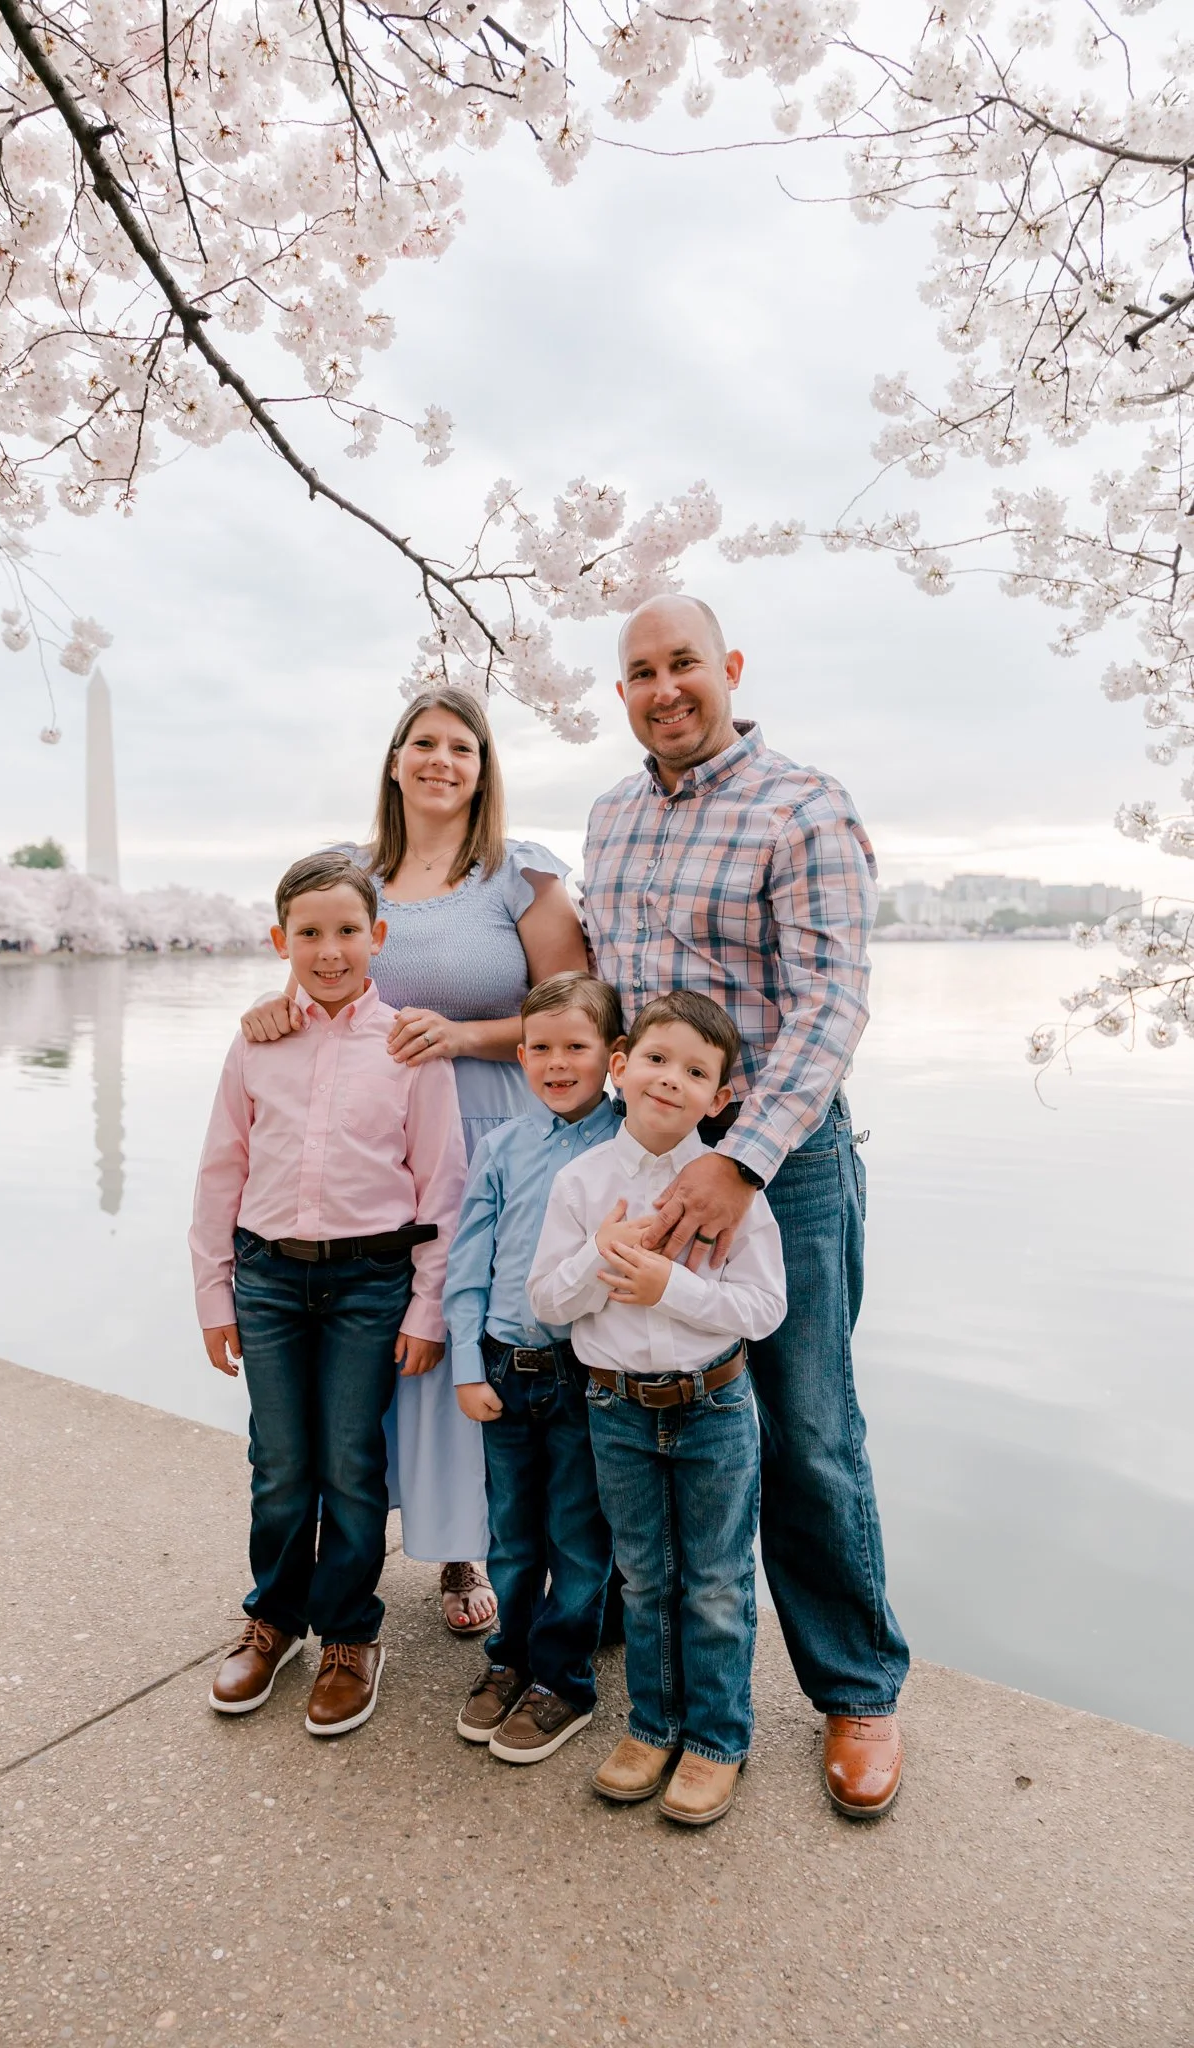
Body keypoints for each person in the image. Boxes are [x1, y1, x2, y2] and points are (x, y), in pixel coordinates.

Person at [581, 592, 912, 1818]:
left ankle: (857, 1686)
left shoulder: (802, 805)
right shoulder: (610, 817)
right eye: (639, 672)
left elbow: (832, 1002)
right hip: (646, 1159)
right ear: (621, 694)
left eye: (683, 665)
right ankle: (647, 1659)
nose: (664, 689)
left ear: (728, 668)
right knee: (641, 1394)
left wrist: (742, 1159)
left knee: (806, 1425)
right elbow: (603, 998)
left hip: (785, 1163)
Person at [240, 688, 588, 1633]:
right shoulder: (349, 874)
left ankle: (472, 1550)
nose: (441, 760)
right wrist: (272, 1012)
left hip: (495, 1127)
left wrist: (465, 1035)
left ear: (485, 769)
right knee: (392, 1343)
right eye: (423, 743)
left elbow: (577, 1015)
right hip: (376, 1144)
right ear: (394, 760)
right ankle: (383, 1548)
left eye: (462, 748)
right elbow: (316, 981)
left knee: (474, 1333)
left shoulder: (522, 877)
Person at [190, 851, 466, 1736]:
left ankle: (349, 1634)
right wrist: (214, 1295)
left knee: (351, 1465)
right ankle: (272, 1620)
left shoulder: (410, 1046)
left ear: (377, 937)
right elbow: (220, 1169)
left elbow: (442, 1188)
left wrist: (428, 1307)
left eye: (348, 930)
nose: (330, 949)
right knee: (278, 1465)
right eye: (308, 933)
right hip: (268, 1277)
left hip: (368, 1282)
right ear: (280, 941)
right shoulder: (258, 1040)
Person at [528, 990, 786, 1826]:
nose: (670, 1079)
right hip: (616, 1409)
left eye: (695, 1071)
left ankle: (715, 1738)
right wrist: (597, 1261)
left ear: (720, 1099)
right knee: (642, 1577)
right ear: (619, 1067)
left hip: (711, 1407)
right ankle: (651, 1725)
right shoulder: (581, 1180)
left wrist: (666, 1285)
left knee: (712, 1580)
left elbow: (763, 1309)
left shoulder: (732, 1192)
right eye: (655, 1059)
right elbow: (545, 1301)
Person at [443, 971, 623, 1764]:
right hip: (502, 1365)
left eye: (575, 1047)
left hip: (584, 1372)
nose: (556, 1063)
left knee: (578, 1538)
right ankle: (506, 1661)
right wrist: (464, 1364)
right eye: (540, 1048)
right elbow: (467, 1262)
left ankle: (563, 1682)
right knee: (511, 1535)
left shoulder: (627, 1148)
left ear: (612, 1055)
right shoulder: (502, 1145)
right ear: (519, 1056)